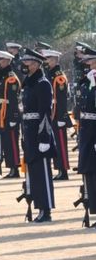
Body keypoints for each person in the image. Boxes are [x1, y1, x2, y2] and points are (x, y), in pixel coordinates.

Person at [20, 48, 57, 222]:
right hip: (29, 131)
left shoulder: (42, 83)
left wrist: (44, 137)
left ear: (35, 63)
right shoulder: (29, 82)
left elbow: (45, 113)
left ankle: (46, 209)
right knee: (34, 173)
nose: (24, 65)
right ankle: (39, 208)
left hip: (39, 133)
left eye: (27, 62)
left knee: (42, 173)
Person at [42, 49, 72, 180]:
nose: (46, 61)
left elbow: (61, 99)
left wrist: (62, 117)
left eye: (48, 59)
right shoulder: (50, 74)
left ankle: (63, 170)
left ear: (54, 59)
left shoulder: (59, 76)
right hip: (52, 114)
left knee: (61, 143)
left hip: (58, 114)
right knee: (55, 143)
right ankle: (59, 169)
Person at [76, 44, 96, 227]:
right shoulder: (87, 80)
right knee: (89, 171)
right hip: (87, 130)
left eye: (90, 61)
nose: (87, 64)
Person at [0, 50, 22, 179]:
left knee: (12, 142)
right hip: (2, 112)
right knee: (5, 142)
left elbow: (14, 99)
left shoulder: (11, 78)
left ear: (6, 61)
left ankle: (15, 168)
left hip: (9, 114)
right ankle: (10, 167)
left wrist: (14, 117)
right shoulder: (3, 76)